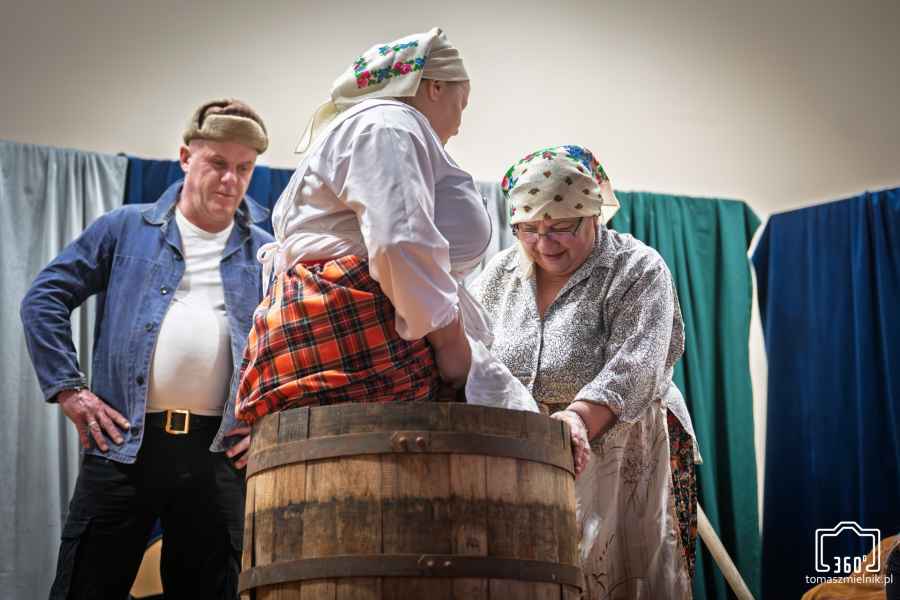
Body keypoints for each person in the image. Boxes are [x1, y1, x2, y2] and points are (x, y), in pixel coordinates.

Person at [21, 99, 273, 600]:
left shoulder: (267, 250)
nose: (231, 180)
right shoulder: (126, 228)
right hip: (124, 445)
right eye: (217, 163)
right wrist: (70, 391)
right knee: (85, 586)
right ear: (185, 157)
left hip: (218, 454)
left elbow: (289, 345)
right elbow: (44, 299)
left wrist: (269, 422)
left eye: (244, 168)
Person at [237, 27, 535, 423]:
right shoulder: (388, 125)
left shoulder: (380, 126)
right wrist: (449, 341)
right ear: (434, 87)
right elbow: (400, 240)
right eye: (461, 104)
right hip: (361, 321)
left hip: (377, 313)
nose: (459, 124)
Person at [474, 145, 699, 599]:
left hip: (621, 447)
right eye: (529, 229)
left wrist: (576, 420)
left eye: (561, 227)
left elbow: (636, 364)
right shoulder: (499, 275)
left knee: (612, 574)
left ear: (594, 213)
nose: (545, 243)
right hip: (528, 451)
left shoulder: (636, 268)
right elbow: (473, 348)